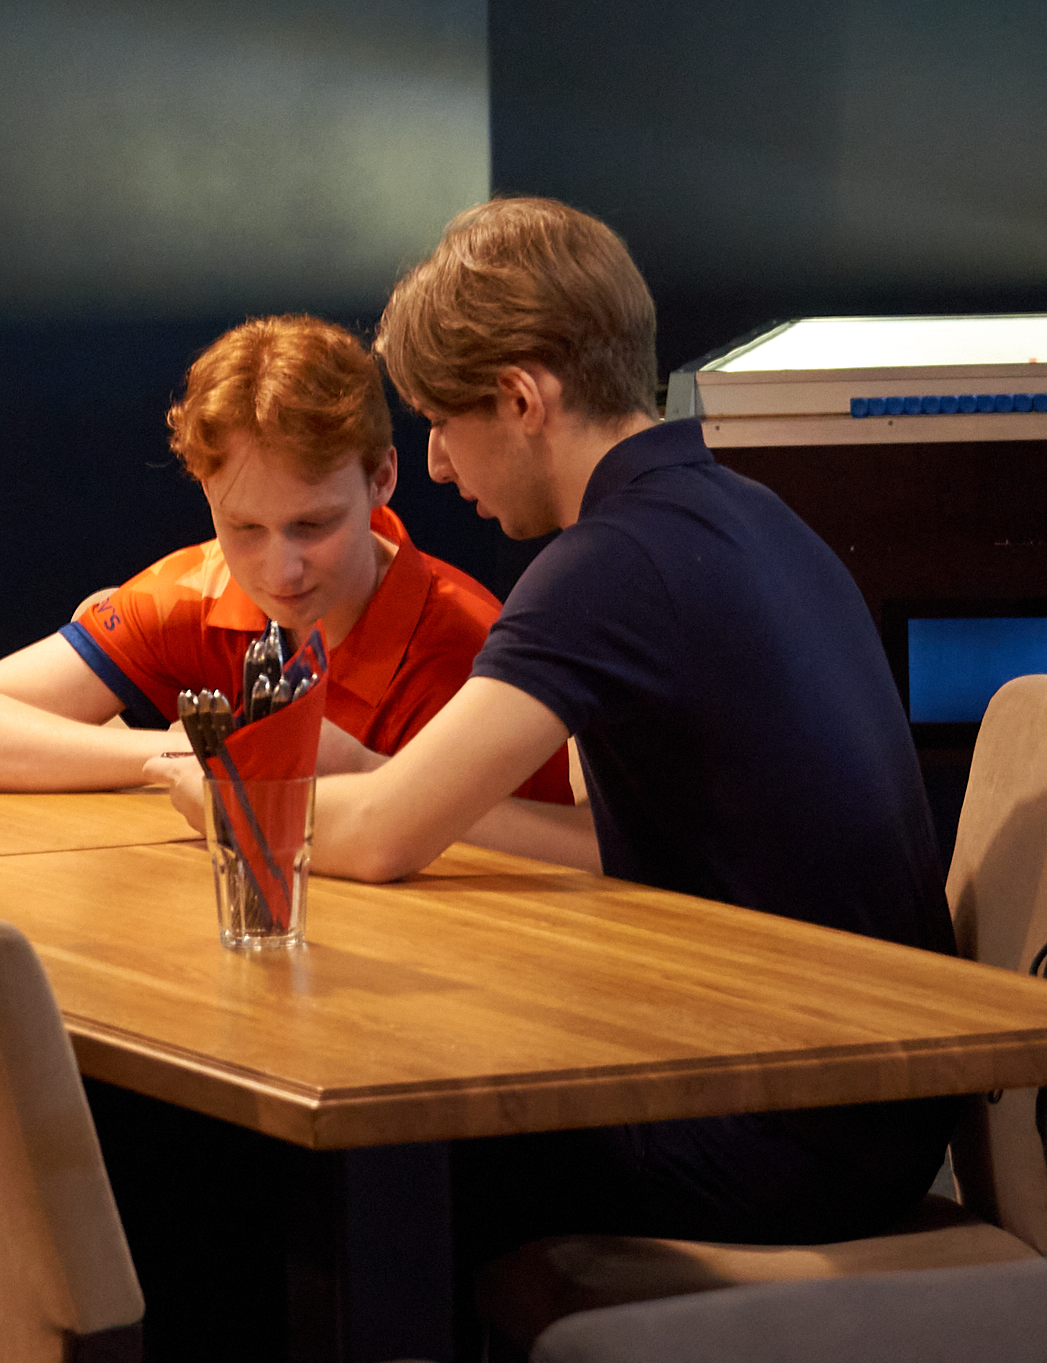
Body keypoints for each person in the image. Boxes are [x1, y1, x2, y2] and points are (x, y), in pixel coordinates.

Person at [148, 198, 957, 1259]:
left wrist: (211, 787)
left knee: (346, 1151)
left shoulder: (606, 565)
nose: (438, 466)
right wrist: (387, 773)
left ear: (522, 399)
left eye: (443, 422)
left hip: (775, 1135)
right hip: (881, 1114)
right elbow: (596, 841)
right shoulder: (748, 514)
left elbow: (380, 839)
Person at [0, 314, 572, 802]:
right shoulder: (196, 587)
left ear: (383, 478)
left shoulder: (468, 649)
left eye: (313, 524)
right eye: (244, 527)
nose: (281, 571)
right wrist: (211, 751)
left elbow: (558, 874)